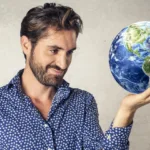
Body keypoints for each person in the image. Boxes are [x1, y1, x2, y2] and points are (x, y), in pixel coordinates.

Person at [0, 2, 150, 150]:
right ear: (26, 45)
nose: (63, 64)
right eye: (54, 50)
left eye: (69, 52)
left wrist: (127, 109)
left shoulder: (83, 103)